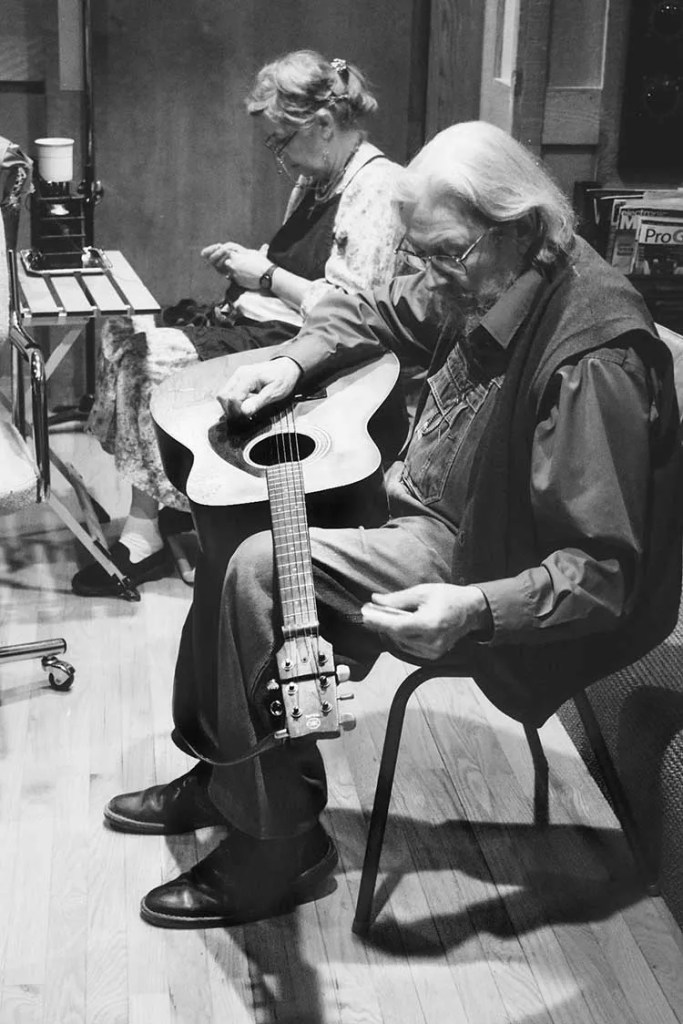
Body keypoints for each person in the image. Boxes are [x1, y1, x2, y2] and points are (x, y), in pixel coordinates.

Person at [104, 121, 683, 929]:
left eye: (447, 252)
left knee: (258, 571)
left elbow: (600, 574)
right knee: (230, 529)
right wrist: (292, 361)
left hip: (481, 556)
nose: (434, 274)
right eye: (424, 254)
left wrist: (474, 609)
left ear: (514, 224)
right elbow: (379, 308)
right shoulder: (491, 271)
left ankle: (280, 844)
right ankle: (225, 766)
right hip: (422, 497)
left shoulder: (591, 361)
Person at [73, 50, 405, 598]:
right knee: (124, 337)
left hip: (304, 351)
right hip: (265, 323)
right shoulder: (319, 179)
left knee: (145, 356)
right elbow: (303, 267)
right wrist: (249, 263)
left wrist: (268, 274)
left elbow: (352, 313)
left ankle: (144, 534)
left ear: (323, 126)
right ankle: (172, 502)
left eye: (281, 142)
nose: (279, 159)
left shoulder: (376, 190)